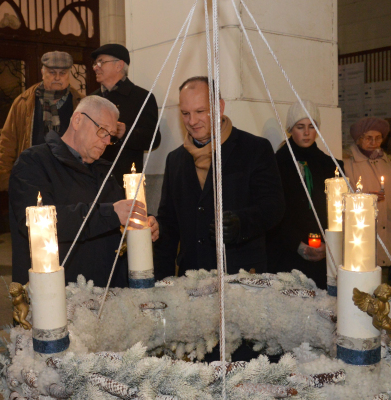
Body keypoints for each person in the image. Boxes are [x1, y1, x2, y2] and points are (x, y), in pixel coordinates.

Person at [9, 96, 159, 287]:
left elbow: (121, 210)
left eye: (111, 136)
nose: (106, 141)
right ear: (77, 120)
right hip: (59, 291)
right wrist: (110, 214)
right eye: (102, 130)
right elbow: (39, 224)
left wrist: (146, 221)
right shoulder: (34, 162)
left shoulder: (104, 170)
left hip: (107, 289)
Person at [154, 76, 285, 280]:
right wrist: (162, 281)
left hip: (242, 275)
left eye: (200, 111)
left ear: (220, 107)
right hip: (191, 278)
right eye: (185, 113)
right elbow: (169, 224)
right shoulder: (175, 160)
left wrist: (241, 223)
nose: (192, 121)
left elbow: (274, 207)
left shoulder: (254, 149)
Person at [267, 100, 344, 290]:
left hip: (324, 255)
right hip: (286, 254)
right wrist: (296, 244)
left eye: (312, 126)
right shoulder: (276, 165)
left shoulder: (332, 166)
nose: (307, 132)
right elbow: (272, 211)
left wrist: (330, 245)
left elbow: (339, 212)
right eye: (300, 127)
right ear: (290, 129)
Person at [0, 51, 84, 192]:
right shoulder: (23, 102)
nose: (57, 77)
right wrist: (6, 181)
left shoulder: (80, 104)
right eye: (52, 72)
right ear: (42, 72)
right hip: (30, 178)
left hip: (69, 181)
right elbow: (7, 143)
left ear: (69, 75)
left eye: (62, 73)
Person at [91, 43, 161, 184]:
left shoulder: (142, 97)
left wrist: (125, 133)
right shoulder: (91, 99)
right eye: (95, 63)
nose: (95, 67)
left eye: (101, 62)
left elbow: (153, 139)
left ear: (119, 65)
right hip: (94, 177)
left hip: (125, 179)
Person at [343, 117, 391, 270]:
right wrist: (365, 199)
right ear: (358, 140)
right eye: (368, 138)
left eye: (378, 138)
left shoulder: (387, 162)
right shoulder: (347, 162)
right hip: (362, 234)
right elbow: (341, 198)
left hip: (387, 231)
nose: (374, 142)